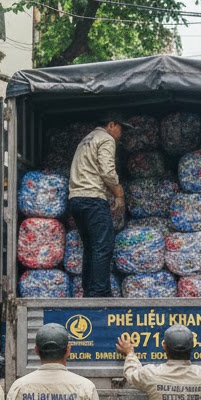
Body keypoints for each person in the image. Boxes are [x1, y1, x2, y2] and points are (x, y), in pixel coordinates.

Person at [68, 114, 129, 297]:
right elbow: (107, 171)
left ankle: (89, 290)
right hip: (92, 199)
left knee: (90, 246)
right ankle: (100, 292)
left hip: (76, 199)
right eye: (121, 128)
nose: (121, 134)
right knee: (103, 246)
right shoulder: (106, 139)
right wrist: (119, 193)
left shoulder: (86, 140)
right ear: (111, 124)